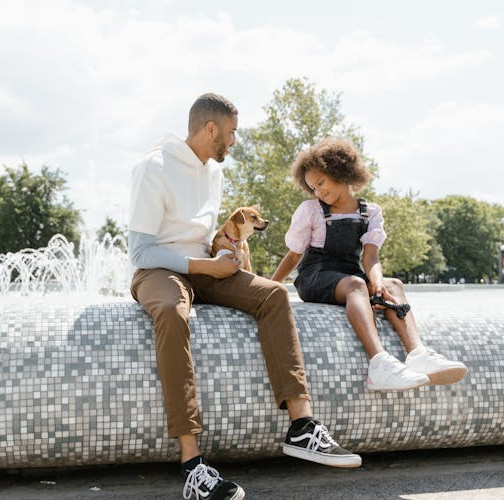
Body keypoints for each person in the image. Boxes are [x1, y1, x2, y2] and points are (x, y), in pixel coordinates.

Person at [129, 94, 361, 500]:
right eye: (232, 133)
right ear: (211, 129)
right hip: (159, 271)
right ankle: (192, 465)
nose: (235, 141)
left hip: (207, 266)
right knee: (170, 311)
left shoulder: (212, 172)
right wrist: (203, 267)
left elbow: (202, 236)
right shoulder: (154, 168)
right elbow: (141, 251)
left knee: (273, 295)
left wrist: (222, 250)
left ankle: (302, 427)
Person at [271, 137, 467, 392]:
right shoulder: (311, 210)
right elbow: (294, 255)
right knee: (355, 284)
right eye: (313, 187)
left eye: (321, 182)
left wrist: (376, 284)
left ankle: (418, 353)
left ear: (339, 171)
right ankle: (379, 363)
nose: (318, 192)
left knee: (393, 285)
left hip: (350, 275)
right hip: (316, 276)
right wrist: (270, 286)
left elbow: (370, 256)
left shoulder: (370, 212)